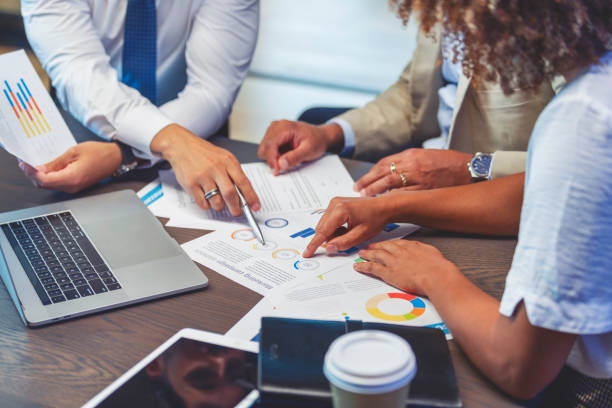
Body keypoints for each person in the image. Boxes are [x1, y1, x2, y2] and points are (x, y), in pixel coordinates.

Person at [304, 0, 612, 403]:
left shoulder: (582, 119)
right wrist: (393, 207)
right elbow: (534, 190)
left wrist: (432, 273)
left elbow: (519, 366)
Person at [257, 18, 558, 195]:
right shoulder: (442, 9)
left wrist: (471, 167)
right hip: (425, 185)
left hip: (500, 201)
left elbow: (596, 166)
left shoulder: (568, 19)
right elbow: (414, 97)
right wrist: (331, 134)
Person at [19, 0, 261, 217]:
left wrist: (123, 155)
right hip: (83, 139)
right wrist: (172, 141)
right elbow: (80, 74)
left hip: (194, 135)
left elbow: (212, 89)